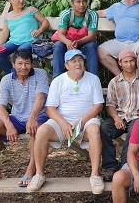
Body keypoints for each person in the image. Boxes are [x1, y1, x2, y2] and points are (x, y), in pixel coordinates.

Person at [27, 49, 106, 193]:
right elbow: (50, 108)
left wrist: (82, 121)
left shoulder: (93, 79)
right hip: (62, 121)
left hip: (86, 120)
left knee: (94, 130)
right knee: (42, 131)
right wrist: (63, 123)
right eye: (74, 61)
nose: (78, 64)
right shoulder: (59, 81)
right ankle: (39, 174)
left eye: (80, 60)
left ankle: (95, 175)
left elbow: (98, 105)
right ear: (66, 65)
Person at [0, 50, 49, 187]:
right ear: (13, 64)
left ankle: (31, 169)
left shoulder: (40, 74)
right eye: (20, 63)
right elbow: (0, 106)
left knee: (35, 130)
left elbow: (41, 97)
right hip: (17, 117)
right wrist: (8, 125)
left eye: (27, 63)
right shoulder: (7, 79)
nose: (24, 67)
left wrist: (32, 117)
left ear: (32, 64)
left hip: (38, 115)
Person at [101, 49, 139, 182]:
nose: (129, 64)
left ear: (136, 61)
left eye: (132, 61)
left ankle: (125, 168)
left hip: (138, 117)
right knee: (103, 128)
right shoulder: (115, 82)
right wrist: (116, 118)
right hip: (120, 116)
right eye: (125, 62)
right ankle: (111, 167)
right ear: (120, 63)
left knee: (135, 129)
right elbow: (110, 105)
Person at [0, 0, 49, 74]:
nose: (21, 0)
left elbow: (45, 22)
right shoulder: (8, 16)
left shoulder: (30, 10)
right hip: (13, 42)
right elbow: (5, 33)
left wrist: (39, 30)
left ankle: (14, 79)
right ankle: (14, 76)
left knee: (19, 54)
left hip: (29, 41)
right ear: (10, 0)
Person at [52, 0, 99, 78]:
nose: (82, 4)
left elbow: (91, 35)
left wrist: (78, 42)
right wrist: (68, 43)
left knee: (92, 45)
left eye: (84, 1)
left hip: (84, 44)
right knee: (58, 45)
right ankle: (57, 79)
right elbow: (60, 34)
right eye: (78, 2)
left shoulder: (92, 14)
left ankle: (94, 79)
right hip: (67, 44)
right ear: (72, 4)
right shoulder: (66, 14)